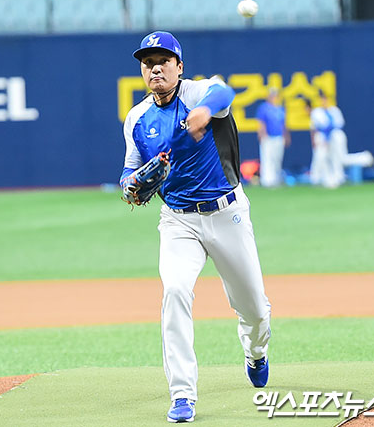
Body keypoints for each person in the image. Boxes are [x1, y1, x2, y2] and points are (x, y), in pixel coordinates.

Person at [121, 31, 271, 423]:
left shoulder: (197, 93)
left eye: (163, 61)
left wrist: (204, 111)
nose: (155, 68)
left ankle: (255, 351)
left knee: (254, 308)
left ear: (179, 66)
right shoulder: (137, 118)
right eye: (148, 62)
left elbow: (223, 92)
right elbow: (129, 168)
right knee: (174, 291)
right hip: (177, 221)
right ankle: (182, 394)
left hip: (226, 213)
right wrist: (129, 184)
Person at [256, 88, 290, 187]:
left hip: (279, 137)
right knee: (267, 158)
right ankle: (267, 180)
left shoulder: (280, 109)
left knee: (277, 158)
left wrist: (286, 136)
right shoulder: (264, 108)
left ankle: (276, 178)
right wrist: (262, 134)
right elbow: (261, 123)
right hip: (268, 137)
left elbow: (283, 124)